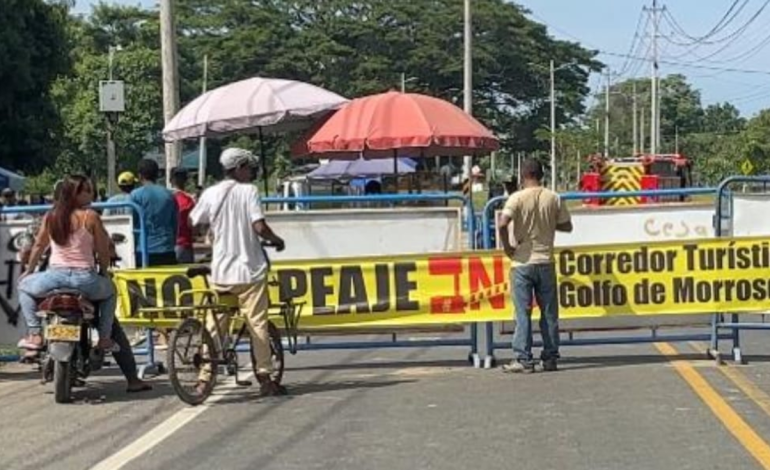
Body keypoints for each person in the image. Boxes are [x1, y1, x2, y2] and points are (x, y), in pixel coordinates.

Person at [190, 147, 286, 396]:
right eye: (250, 168)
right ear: (240, 168)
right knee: (257, 324)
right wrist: (276, 240)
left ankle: (204, 379)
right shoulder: (249, 191)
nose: (252, 173)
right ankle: (265, 377)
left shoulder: (211, 193)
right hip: (250, 272)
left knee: (214, 326)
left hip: (221, 272)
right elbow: (259, 226)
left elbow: (195, 221)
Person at [17, 175, 117, 352]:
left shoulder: (51, 216)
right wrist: (104, 271)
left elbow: (39, 245)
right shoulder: (91, 217)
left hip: (54, 278)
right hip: (85, 280)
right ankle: (104, 339)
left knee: (23, 286)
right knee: (110, 292)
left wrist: (29, 270)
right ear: (74, 194)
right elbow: (103, 250)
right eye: (86, 190)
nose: (91, 194)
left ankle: (35, 334)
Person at [497, 159, 573, 374]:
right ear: (542, 175)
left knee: (523, 313)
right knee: (549, 313)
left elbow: (503, 222)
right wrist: (548, 223)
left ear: (523, 175)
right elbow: (567, 226)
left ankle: (523, 359)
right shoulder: (553, 197)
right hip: (546, 261)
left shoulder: (517, 198)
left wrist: (507, 247)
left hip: (522, 262)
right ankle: (550, 357)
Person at [131, 159, 178, 267]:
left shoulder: (135, 195)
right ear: (157, 174)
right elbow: (175, 223)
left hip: (143, 251)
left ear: (140, 175)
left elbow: (131, 223)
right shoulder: (169, 195)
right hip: (167, 250)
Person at [170, 168, 196, 264]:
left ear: (170, 179)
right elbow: (194, 225)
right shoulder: (189, 199)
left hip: (168, 245)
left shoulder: (165, 197)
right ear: (186, 180)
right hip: (184, 244)